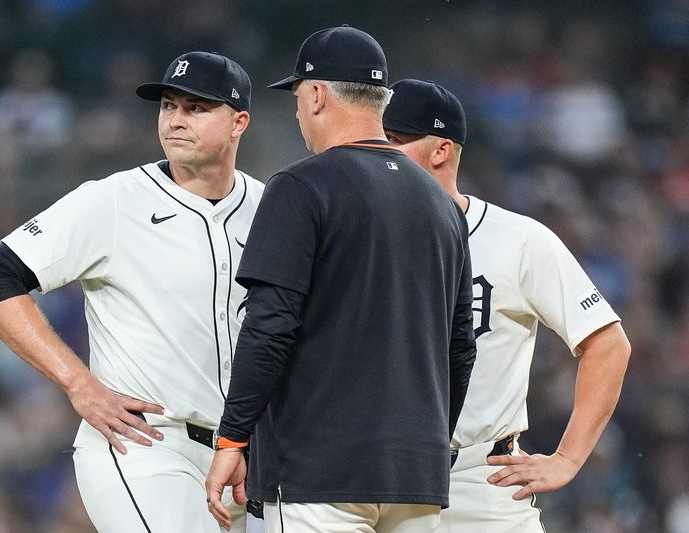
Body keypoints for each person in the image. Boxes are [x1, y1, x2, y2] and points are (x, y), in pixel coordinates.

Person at [0, 51, 264, 533]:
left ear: (238, 123)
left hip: (240, 459)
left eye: (196, 108)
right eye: (168, 105)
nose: (176, 120)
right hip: (144, 447)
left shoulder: (267, 207)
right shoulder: (114, 200)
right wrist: (79, 384)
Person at [204, 26, 476, 533]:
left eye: (298, 97)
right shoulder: (442, 204)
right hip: (415, 474)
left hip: (319, 471)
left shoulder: (299, 187)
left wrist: (233, 439)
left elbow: (269, 327)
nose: (299, 111)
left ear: (317, 94)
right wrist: (426, 444)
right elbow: (461, 348)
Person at [382, 79, 631, 532]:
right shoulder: (356, 241)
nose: (379, 154)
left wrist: (566, 458)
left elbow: (608, 344)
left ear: (440, 151)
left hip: (484, 481)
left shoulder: (517, 240)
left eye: (394, 141)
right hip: (380, 481)